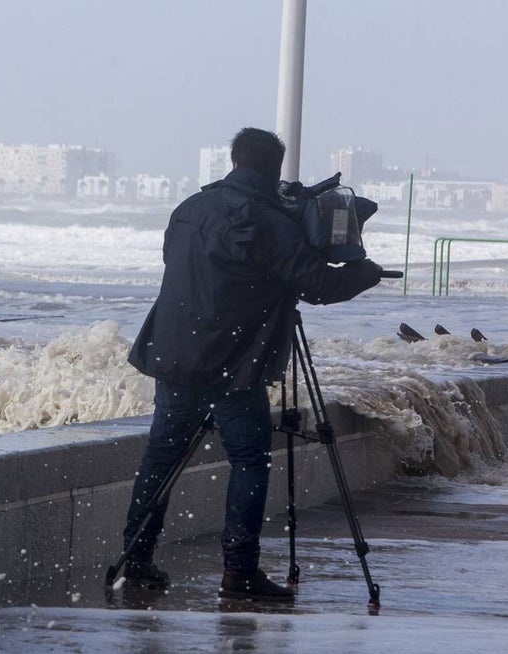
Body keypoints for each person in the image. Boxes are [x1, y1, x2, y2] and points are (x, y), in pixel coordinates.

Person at [121, 127, 383, 600]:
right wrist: (363, 274)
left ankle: (134, 561)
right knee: (248, 460)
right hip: (232, 364)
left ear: (235, 160)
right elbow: (316, 285)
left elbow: (182, 266)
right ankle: (239, 572)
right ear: (273, 167)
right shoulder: (267, 221)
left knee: (160, 459)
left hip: (174, 354)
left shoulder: (190, 208)